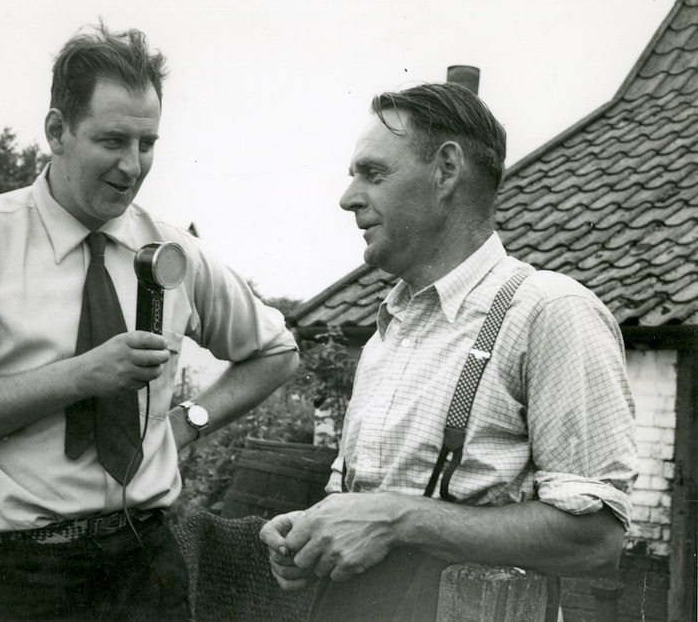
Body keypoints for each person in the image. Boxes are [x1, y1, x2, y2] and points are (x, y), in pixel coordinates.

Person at [0, 22, 298, 621]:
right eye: (112, 140)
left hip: (144, 570)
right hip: (5, 579)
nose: (132, 166)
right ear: (57, 130)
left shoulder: (171, 252)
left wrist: (188, 421)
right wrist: (81, 376)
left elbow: (277, 351)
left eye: (148, 143)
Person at [259, 82, 637, 621]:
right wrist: (316, 530)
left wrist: (397, 519)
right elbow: (376, 509)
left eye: (373, 173)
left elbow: (596, 540)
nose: (348, 198)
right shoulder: (391, 329)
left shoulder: (548, 312)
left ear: (446, 171)